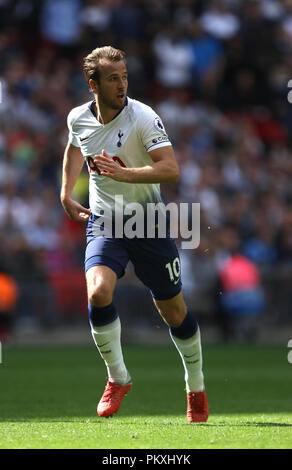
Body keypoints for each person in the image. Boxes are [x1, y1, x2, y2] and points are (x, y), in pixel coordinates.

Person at [60, 45, 208, 423]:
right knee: (98, 291)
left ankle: (196, 386)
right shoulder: (78, 117)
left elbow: (171, 168)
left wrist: (126, 174)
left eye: (124, 76)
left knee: (173, 311)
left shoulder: (143, 117)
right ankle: (118, 378)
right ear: (93, 84)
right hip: (106, 221)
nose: (122, 84)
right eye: (113, 78)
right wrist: (65, 192)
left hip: (148, 223)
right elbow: (75, 147)